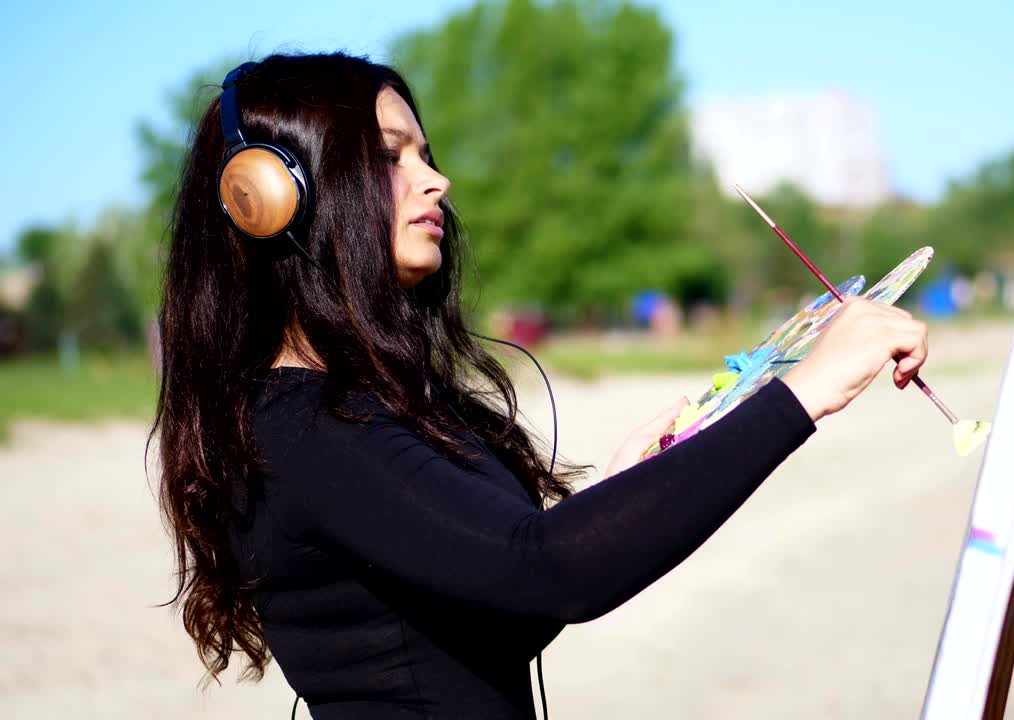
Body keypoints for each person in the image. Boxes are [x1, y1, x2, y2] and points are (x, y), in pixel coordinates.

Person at [154, 52, 930, 719]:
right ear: (283, 199)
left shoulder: (378, 405)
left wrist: (626, 492)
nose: (436, 181)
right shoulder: (304, 429)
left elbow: (503, 610)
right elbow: (549, 571)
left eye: (425, 153)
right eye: (393, 157)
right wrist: (803, 393)